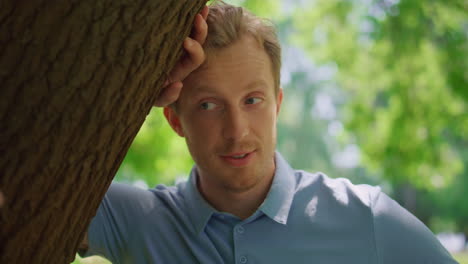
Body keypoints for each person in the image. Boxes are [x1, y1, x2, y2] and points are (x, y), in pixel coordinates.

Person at [80, 2, 458, 263]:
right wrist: (130, 96)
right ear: (176, 120)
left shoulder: (367, 217)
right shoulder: (133, 221)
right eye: (208, 105)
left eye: (252, 100)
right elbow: (29, 161)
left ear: (277, 104)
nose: (236, 131)